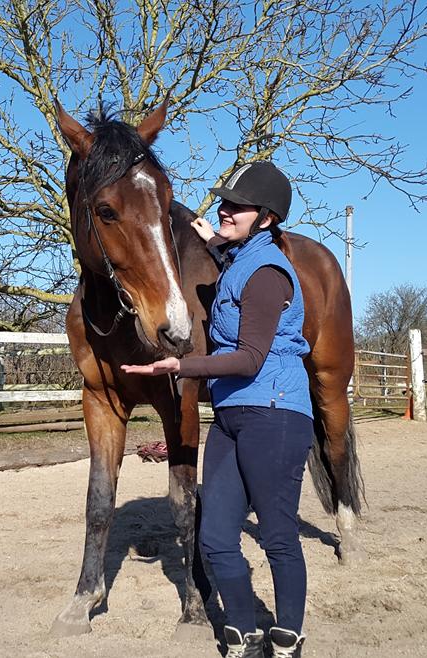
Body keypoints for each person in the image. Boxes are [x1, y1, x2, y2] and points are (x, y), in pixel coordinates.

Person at [121, 162, 312, 658]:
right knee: (216, 536)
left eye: (237, 206)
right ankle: (245, 634)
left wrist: (179, 366)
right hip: (230, 415)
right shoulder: (240, 258)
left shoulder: (268, 274)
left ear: (266, 218)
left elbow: (249, 358)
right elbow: (231, 270)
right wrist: (214, 242)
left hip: (274, 412)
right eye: (223, 201)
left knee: (277, 535)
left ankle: (287, 637)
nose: (224, 209)